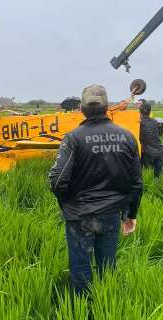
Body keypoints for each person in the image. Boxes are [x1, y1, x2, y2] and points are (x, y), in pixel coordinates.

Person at [49, 85, 143, 295]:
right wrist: (130, 214)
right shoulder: (127, 137)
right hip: (111, 215)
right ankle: (105, 304)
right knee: (107, 268)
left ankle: (83, 309)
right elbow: (136, 183)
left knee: (80, 269)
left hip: (79, 217)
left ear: (81, 109)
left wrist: (68, 205)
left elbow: (57, 181)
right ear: (107, 107)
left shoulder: (73, 138)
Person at [138, 100, 163, 178]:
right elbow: (159, 133)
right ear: (150, 111)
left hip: (148, 154)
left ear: (140, 111)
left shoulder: (139, 123)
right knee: (158, 177)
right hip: (159, 151)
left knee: (148, 176)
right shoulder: (155, 122)